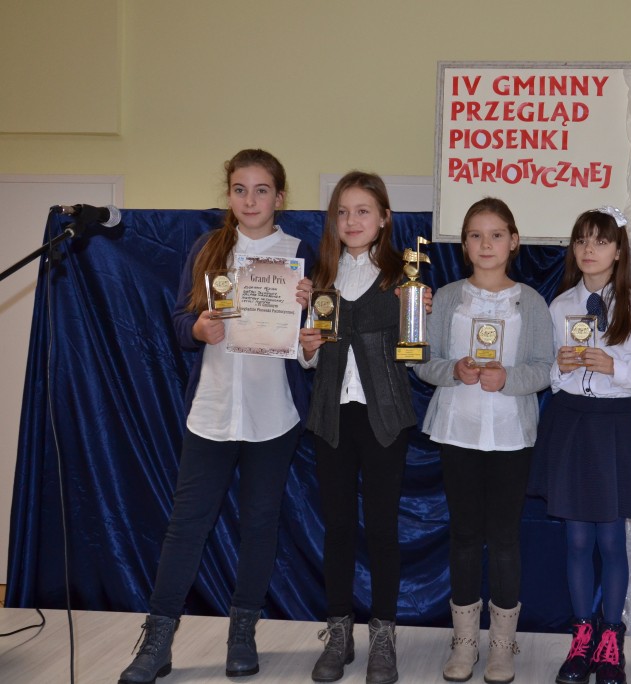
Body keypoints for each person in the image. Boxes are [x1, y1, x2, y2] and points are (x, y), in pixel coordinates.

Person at [118, 149, 315, 683]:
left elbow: (313, 342)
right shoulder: (208, 247)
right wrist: (198, 329)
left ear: (279, 197)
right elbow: (182, 322)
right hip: (212, 409)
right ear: (229, 195)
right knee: (186, 526)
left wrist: (309, 323)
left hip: (274, 415)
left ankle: (242, 635)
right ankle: (156, 642)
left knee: (259, 525)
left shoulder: (300, 253)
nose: (250, 200)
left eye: (261, 190)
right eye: (239, 189)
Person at [413, 198, 554, 683]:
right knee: (465, 536)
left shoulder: (531, 302)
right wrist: (453, 369)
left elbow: (544, 367)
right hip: (458, 430)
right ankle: (465, 641)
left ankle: (502, 644)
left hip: (512, 435)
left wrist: (509, 378)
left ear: (514, 241)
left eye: (496, 235)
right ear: (464, 244)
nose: (486, 244)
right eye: (475, 235)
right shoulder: (446, 297)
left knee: (506, 539)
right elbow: (421, 360)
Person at [298, 171, 424, 684]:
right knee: (338, 528)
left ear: (384, 218)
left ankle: (384, 637)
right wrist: (307, 347)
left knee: (383, 529)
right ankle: (339, 633)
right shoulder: (319, 278)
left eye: (363, 211)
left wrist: (419, 316)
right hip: (332, 417)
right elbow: (308, 356)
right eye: (343, 212)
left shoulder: (405, 279)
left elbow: (416, 356)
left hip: (383, 419)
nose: (352, 221)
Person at [531, 207, 631, 684]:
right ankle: (582, 636)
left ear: (618, 251)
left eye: (601, 241)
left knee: (610, 539)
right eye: (582, 240)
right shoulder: (559, 306)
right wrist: (560, 368)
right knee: (576, 539)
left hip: (614, 427)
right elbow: (548, 373)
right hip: (571, 424)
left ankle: (611, 640)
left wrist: (615, 368)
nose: (590, 250)